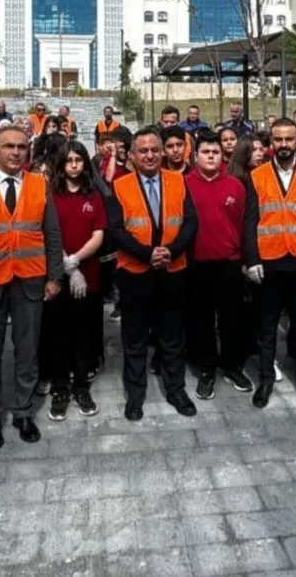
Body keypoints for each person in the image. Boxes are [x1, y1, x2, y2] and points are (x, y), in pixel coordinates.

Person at [0, 126, 64, 449]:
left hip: (30, 280)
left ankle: (23, 411)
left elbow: (52, 234)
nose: (16, 152)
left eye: (22, 147)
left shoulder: (39, 183)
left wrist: (54, 276)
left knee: (27, 350)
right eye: (9, 146)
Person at [106, 128, 198, 421]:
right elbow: (116, 230)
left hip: (173, 271)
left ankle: (176, 389)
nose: (149, 155)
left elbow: (190, 223)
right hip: (135, 273)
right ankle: (135, 395)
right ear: (132, 156)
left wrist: (170, 250)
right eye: (143, 151)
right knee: (134, 339)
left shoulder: (179, 182)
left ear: (163, 153)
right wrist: (147, 254)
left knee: (172, 336)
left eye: (154, 150)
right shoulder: (119, 186)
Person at [244, 118, 296, 412]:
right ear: (270, 144)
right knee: (266, 327)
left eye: (288, 139)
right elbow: (250, 221)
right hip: (269, 263)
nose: (282, 145)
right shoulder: (256, 176)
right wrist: (252, 259)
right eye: (277, 140)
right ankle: (266, 379)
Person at [185, 132, 252, 398]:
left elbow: (245, 226)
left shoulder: (236, 185)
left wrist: (247, 261)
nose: (211, 156)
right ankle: (206, 369)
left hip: (230, 264)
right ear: (196, 155)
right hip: (196, 264)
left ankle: (232, 366)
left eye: (215, 152)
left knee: (231, 320)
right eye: (205, 152)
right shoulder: (184, 184)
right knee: (201, 321)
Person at [45, 141, 106, 421]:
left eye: (78, 160)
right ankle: (60, 388)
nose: (73, 165)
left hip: (88, 275)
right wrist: (66, 266)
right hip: (57, 276)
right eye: (68, 160)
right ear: (60, 164)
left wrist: (77, 261)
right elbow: (44, 233)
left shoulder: (94, 195)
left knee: (83, 335)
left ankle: (82, 386)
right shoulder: (49, 196)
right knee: (58, 335)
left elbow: (98, 235)